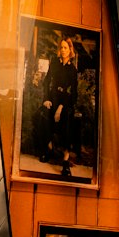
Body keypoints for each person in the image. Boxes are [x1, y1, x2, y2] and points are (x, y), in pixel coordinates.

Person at [35, 37, 78, 178]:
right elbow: (47, 82)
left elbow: (73, 93)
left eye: (66, 47)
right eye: (61, 47)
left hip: (65, 102)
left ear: (70, 50)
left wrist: (60, 108)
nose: (63, 50)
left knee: (66, 121)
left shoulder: (72, 69)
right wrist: (46, 99)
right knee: (43, 115)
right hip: (52, 99)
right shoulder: (54, 63)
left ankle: (65, 161)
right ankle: (48, 150)